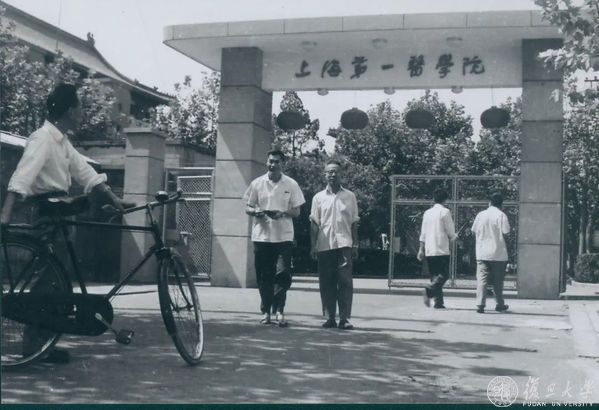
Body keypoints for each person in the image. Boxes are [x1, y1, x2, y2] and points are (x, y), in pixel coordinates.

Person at [0, 83, 130, 363]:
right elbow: (22, 176)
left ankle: (43, 344)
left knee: (57, 283)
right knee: (48, 281)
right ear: (70, 110)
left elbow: (85, 172)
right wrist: (5, 215)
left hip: (60, 211)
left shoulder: (61, 141)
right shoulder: (43, 138)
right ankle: (33, 346)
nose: (82, 111)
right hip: (47, 212)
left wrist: (115, 200)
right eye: (80, 106)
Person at [244, 149, 305, 327]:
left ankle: (279, 310)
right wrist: (256, 211)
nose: (273, 164)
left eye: (276, 162)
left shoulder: (291, 184)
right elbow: (248, 206)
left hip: (283, 237)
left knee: (283, 273)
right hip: (262, 236)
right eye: (270, 161)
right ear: (267, 162)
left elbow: (297, 211)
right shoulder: (257, 183)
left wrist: (283, 213)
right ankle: (266, 311)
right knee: (264, 275)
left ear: (282, 164)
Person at [310, 159, 359, 330]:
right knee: (326, 281)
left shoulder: (350, 196)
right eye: (329, 171)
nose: (332, 174)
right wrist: (313, 246)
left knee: (345, 282)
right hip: (325, 245)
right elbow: (314, 223)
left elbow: (354, 222)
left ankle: (344, 318)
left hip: (345, 244)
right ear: (324, 175)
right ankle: (330, 317)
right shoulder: (318, 197)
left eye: (335, 171)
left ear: (341, 174)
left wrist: (355, 244)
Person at [470, 192, 511, 314]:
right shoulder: (501, 215)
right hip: (498, 253)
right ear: (501, 204)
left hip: (482, 252)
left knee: (482, 279)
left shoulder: (480, 215)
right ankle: (499, 304)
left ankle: (480, 304)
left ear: (490, 203)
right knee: (498, 281)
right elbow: (506, 231)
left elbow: (473, 231)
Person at [417, 188, 457, 309]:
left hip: (429, 249)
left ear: (434, 199)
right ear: (445, 200)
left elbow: (423, 233)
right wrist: (454, 237)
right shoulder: (445, 212)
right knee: (444, 274)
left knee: (434, 276)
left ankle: (438, 302)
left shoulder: (427, 213)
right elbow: (450, 230)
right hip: (441, 248)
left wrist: (421, 249)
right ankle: (429, 290)